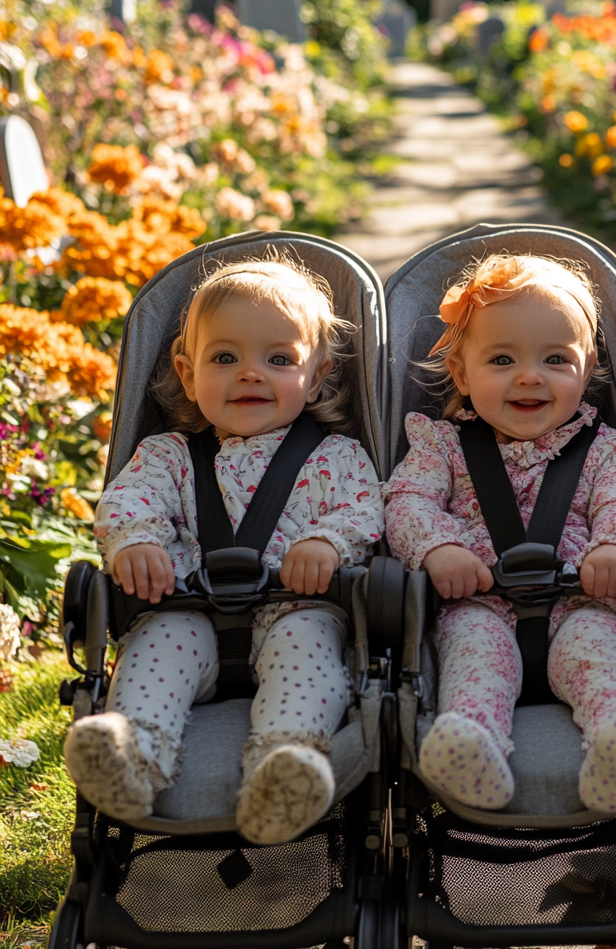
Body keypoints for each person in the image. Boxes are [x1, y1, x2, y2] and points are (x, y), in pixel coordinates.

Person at [64, 258, 384, 844]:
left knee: (309, 654)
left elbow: (366, 512)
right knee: (154, 647)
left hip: (297, 609)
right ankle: (134, 756)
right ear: (188, 376)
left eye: (279, 359)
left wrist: (327, 541)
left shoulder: (336, 457)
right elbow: (126, 501)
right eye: (225, 358)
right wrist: (136, 542)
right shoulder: (167, 457)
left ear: (315, 378)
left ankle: (282, 769)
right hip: (185, 611)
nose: (250, 374)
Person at [384, 254, 616, 814]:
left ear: (586, 373)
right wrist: (439, 546)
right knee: (474, 660)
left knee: (598, 656)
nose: (530, 376)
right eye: (503, 359)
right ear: (462, 375)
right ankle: (470, 742)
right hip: (479, 603)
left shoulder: (602, 447)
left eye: (556, 359)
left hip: (585, 600)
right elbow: (405, 501)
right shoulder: (441, 445)